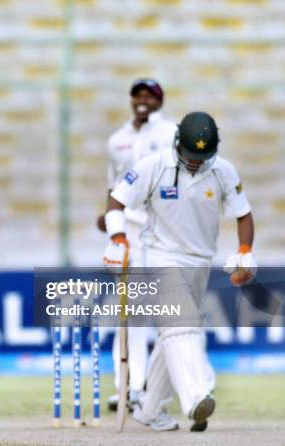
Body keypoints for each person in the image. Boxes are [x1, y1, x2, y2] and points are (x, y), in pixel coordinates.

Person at [103, 111, 256, 432]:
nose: (196, 163)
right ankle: (195, 397)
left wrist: (244, 251)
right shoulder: (153, 165)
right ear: (177, 144)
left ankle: (150, 410)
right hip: (159, 255)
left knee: (172, 336)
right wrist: (118, 239)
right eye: (190, 156)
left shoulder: (223, 171)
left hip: (200, 262)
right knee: (181, 324)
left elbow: (243, 213)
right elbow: (116, 202)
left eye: (203, 157)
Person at [98, 79, 177, 411]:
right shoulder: (118, 140)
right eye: (137, 95)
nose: (142, 100)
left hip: (162, 231)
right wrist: (107, 216)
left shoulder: (171, 132)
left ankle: (156, 390)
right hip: (127, 231)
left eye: (149, 95)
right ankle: (127, 387)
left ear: (159, 100)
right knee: (129, 315)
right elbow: (113, 186)